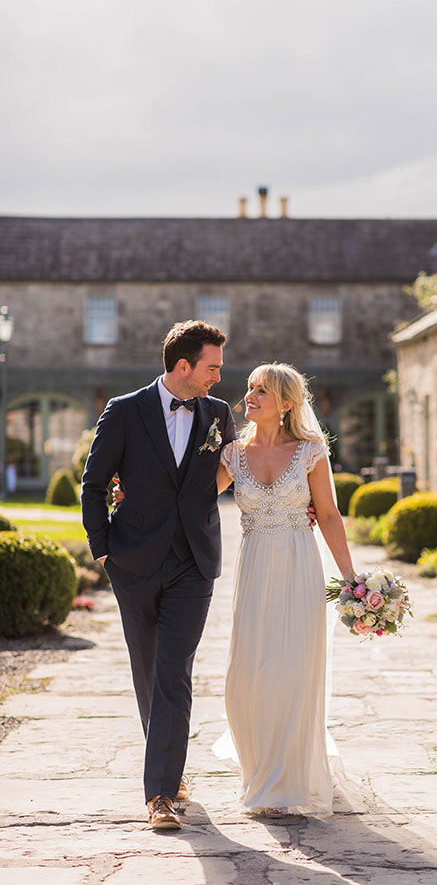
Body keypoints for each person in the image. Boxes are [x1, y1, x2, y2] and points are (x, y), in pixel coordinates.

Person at [81, 321, 237, 830]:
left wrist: (301, 506)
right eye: (211, 366)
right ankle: (169, 768)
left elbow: (239, 474)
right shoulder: (124, 411)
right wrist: (103, 550)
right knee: (148, 671)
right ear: (183, 365)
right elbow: (94, 483)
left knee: (174, 670)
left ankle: (161, 794)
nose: (219, 376)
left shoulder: (219, 414)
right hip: (134, 561)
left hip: (195, 561)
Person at [215, 363, 355, 817]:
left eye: (262, 391)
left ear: (287, 403)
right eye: (250, 388)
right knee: (247, 677)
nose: (250, 396)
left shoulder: (311, 451)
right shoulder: (232, 454)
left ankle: (285, 783)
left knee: (292, 670)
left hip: (299, 567)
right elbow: (190, 500)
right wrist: (130, 497)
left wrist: (352, 581)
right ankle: (258, 772)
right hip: (254, 571)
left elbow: (329, 516)